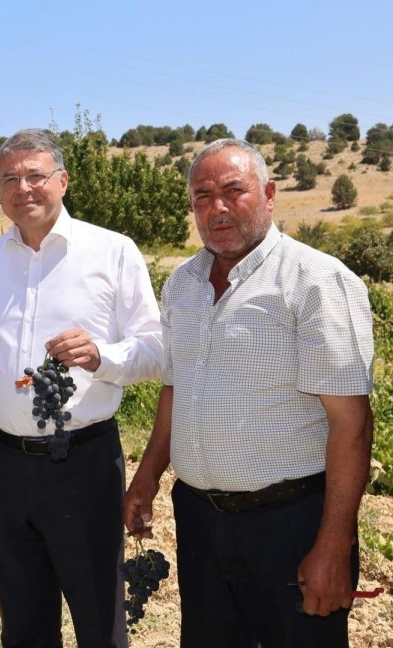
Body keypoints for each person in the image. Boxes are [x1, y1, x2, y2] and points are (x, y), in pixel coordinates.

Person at [124, 138, 374, 648]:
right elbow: (177, 387)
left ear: (269, 194)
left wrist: (332, 544)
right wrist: (147, 476)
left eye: (234, 191)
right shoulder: (182, 284)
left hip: (290, 525)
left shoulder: (316, 281)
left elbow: (352, 423)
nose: (217, 207)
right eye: (202, 195)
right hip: (199, 519)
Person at [0, 128, 163, 648]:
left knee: (99, 618)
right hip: (3, 465)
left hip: (82, 463)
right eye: (10, 178)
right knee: (24, 621)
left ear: (62, 181)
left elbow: (157, 350)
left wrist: (103, 355)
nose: (23, 188)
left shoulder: (112, 252)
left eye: (35, 175)